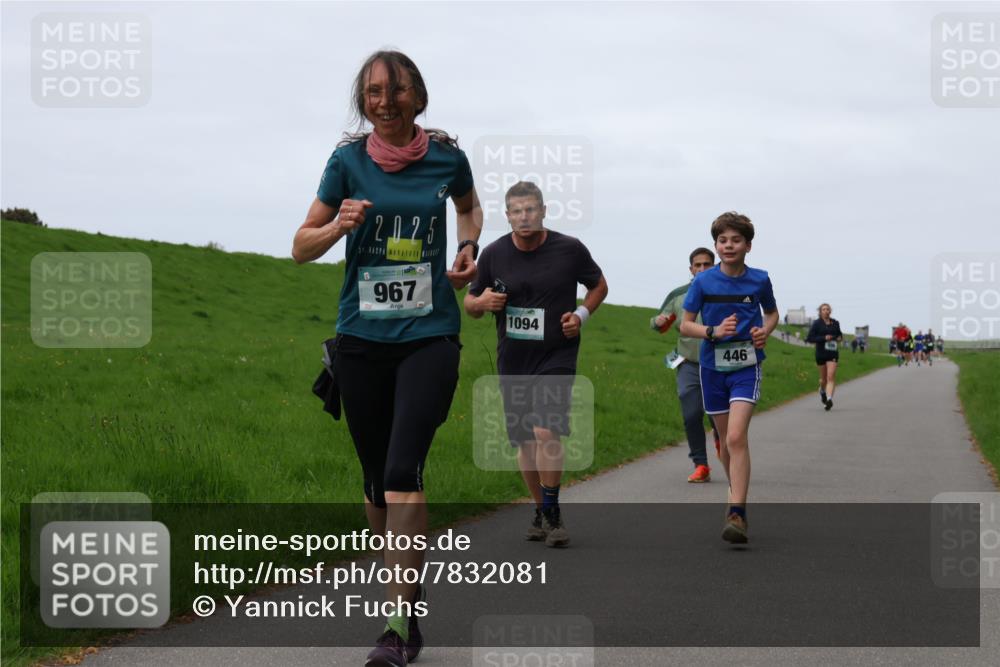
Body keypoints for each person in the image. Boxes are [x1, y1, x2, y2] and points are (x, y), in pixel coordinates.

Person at [292, 50, 482, 667]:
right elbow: (300, 248)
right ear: (363, 100)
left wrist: (469, 246)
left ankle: (397, 623)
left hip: (430, 337)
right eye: (373, 91)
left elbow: (469, 206)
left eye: (396, 90)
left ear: (416, 96)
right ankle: (407, 584)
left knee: (403, 471)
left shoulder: (447, 157)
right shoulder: (345, 163)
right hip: (362, 341)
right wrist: (338, 227)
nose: (384, 100)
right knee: (376, 483)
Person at [465, 181, 607, 548]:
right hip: (513, 357)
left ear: (543, 211)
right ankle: (540, 509)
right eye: (516, 211)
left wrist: (580, 315)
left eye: (531, 209)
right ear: (508, 216)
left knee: (546, 431)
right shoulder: (494, 254)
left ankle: (553, 510)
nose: (524, 217)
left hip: (557, 353)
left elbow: (599, 285)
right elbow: (470, 303)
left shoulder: (570, 249)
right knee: (526, 440)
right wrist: (484, 304)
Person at [679, 212, 779, 545]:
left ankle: (737, 511)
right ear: (716, 245)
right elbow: (685, 324)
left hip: (746, 366)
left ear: (748, 245)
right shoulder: (703, 282)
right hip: (711, 368)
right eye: (723, 240)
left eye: (736, 240)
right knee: (724, 443)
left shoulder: (760, 279)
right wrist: (712, 331)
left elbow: (772, 313)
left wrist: (764, 332)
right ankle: (734, 496)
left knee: (737, 438)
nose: (729, 245)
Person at [651, 247, 720, 483]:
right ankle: (701, 465)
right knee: (691, 415)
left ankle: (722, 442)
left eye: (707, 264)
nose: (701, 269)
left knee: (716, 414)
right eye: (697, 265)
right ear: (690, 268)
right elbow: (660, 324)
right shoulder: (678, 295)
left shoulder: (724, 290)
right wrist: (658, 321)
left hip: (718, 365)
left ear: (715, 265)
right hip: (687, 363)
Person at [805, 304, 843, 411]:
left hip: (833, 353)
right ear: (820, 312)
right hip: (821, 353)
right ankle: (822, 391)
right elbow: (810, 338)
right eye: (823, 309)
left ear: (830, 311)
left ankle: (829, 399)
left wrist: (839, 338)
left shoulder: (835, 323)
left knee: (830, 377)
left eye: (827, 309)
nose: (826, 311)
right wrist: (824, 338)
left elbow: (839, 335)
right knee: (823, 380)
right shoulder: (817, 324)